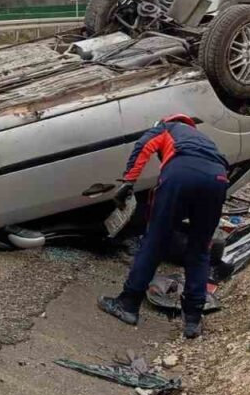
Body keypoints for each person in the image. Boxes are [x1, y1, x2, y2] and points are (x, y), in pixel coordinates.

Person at [98, 114, 229, 339]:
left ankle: (128, 304)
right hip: (217, 179)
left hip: (180, 175)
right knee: (200, 249)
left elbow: (144, 145)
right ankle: (193, 320)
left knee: (154, 241)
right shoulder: (203, 140)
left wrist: (129, 181)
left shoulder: (166, 128)